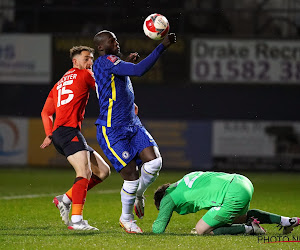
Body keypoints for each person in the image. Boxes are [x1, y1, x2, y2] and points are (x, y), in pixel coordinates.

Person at [92, 30, 176, 233]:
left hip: (132, 123)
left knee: (155, 162)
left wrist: (125, 61)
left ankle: (138, 194)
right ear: (101, 47)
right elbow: (139, 70)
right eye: (113, 41)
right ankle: (126, 218)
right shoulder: (105, 61)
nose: (117, 42)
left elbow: (118, 80)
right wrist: (162, 46)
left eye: (117, 38)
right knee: (131, 175)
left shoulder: (112, 63)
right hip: (112, 129)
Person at [40, 45, 110, 231]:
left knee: (102, 171)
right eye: (86, 58)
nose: (90, 62)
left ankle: (65, 199)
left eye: (91, 59)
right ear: (75, 61)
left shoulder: (59, 84)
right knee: (84, 173)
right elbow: (104, 89)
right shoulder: (85, 75)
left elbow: (46, 112)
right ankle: (77, 221)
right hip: (68, 132)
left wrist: (49, 133)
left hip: (61, 133)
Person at [153, 171, 300, 235]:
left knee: (201, 230)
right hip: (242, 181)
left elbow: (158, 229)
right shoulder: (186, 179)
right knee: (239, 217)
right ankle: (286, 221)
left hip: (233, 193)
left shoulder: (168, 197)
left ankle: (250, 229)